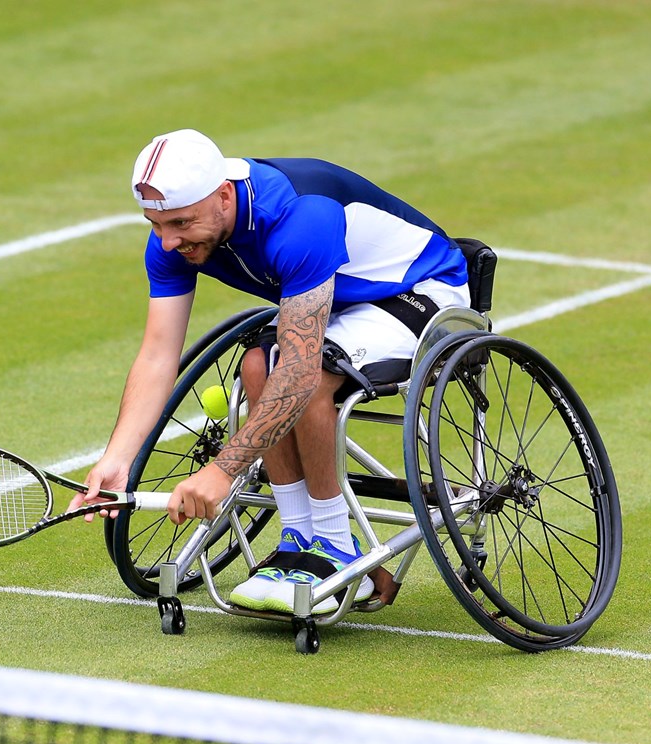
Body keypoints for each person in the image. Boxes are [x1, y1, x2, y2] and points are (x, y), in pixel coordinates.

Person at [69, 129, 470, 614]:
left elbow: (301, 372)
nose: (167, 241)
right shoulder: (173, 242)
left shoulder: (302, 218)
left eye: (179, 223)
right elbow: (157, 356)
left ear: (222, 196)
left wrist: (221, 472)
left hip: (419, 292)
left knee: (311, 373)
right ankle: (298, 539)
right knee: (258, 365)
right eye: (154, 224)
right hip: (333, 298)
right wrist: (119, 458)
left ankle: (336, 544)